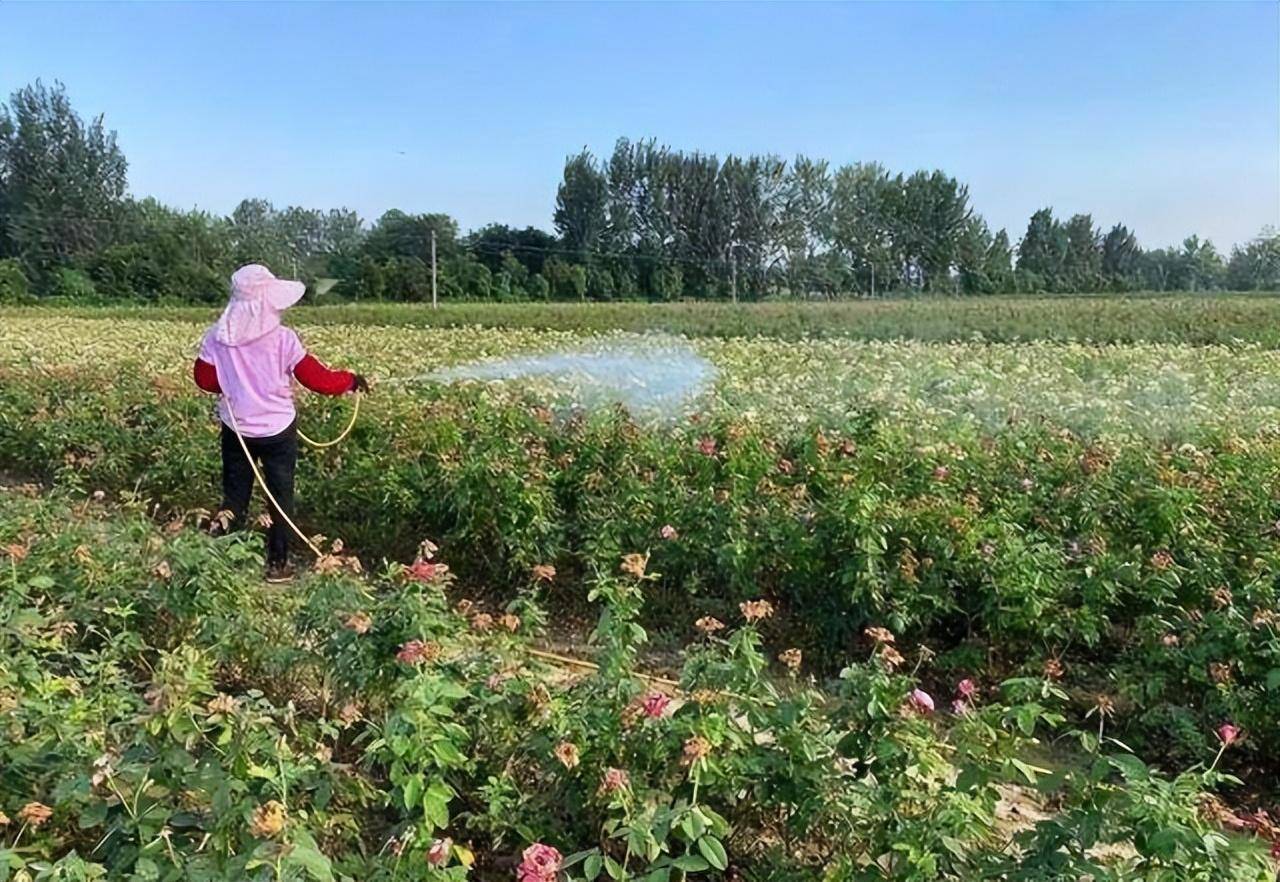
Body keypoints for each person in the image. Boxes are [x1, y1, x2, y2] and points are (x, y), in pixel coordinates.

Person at [192, 264, 368, 582]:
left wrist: (237, 384)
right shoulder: (283, 338)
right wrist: (351, 380)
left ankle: (223, 560)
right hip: (277, 430)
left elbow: (204, 379)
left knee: (235, 496)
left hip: (237, 428)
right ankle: (277, 564)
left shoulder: (217, 337)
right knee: (280, 496)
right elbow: (319, 379)